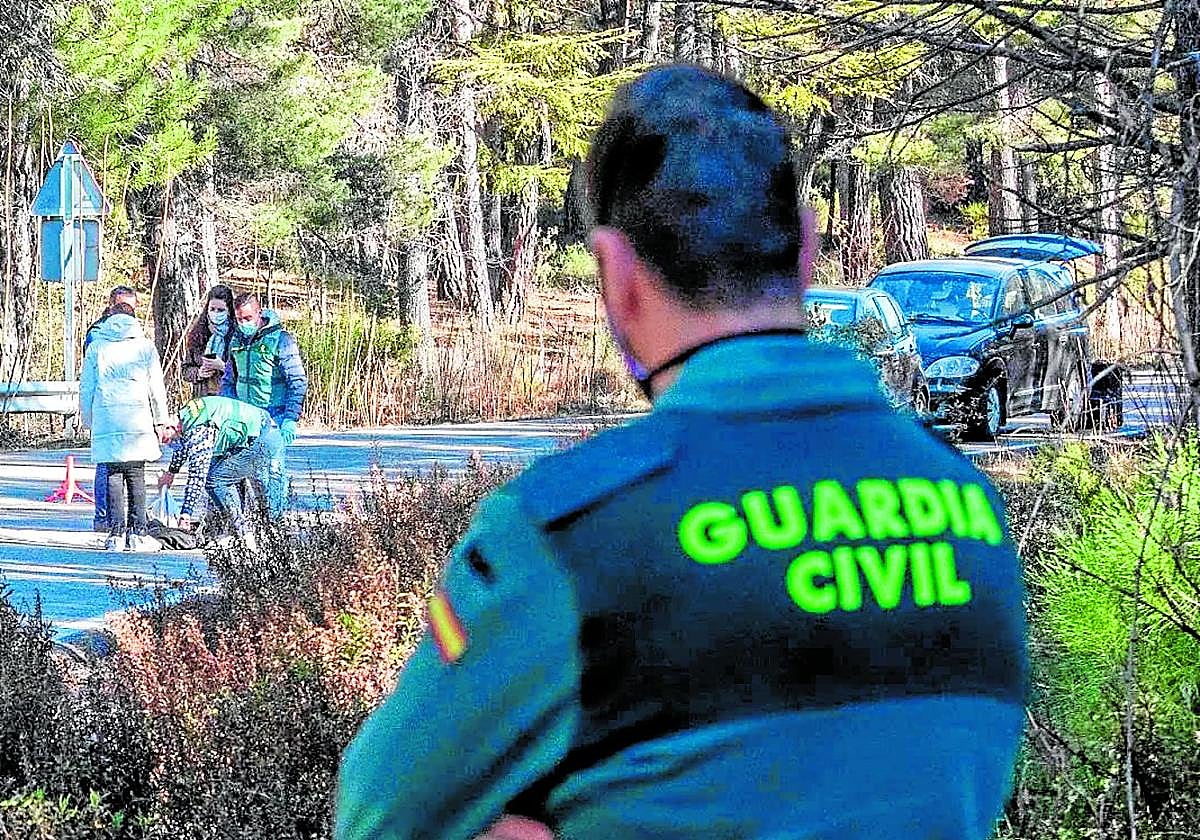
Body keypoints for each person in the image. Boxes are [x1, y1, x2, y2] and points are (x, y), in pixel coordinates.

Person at [334, 65, 1029, 840]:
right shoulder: (970, 504)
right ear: (806, 249)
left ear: (617, 276)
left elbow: (377, 817)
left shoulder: (566, 536)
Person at [79, 301, 169, 552]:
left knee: (113, 474)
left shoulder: (96, 347)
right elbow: (156, 388)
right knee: (136, 475)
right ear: (134, 319)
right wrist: (161, 419)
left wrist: (88, 420)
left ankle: (116, 533)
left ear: (109, 317)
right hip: (137, 419)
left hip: (107, 418)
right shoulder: (144, 346)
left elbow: (86, 387)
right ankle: (138, 532)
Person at [220, 291, 307, 516]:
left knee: (273, 472)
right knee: (252, 474)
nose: (243, 324)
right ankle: (258, 522)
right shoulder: (235, 341)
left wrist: (290, 418)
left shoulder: (280, 339)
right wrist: (228, 412)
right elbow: (229, 380)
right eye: (239, 319)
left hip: (274, 417)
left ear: (259, 313)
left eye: (248, 318)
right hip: (244, 420)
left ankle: (275, 525)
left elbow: (297, 381)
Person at [158, 395, 281, 546]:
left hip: (262, 438)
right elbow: (183, 444)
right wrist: (171, 472)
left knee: (215, 482)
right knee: (221, 475)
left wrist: (186, 514)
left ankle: (243, 535)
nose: (169, 445)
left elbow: (197, 475)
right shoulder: (186, 416)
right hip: (261, 430)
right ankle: (236, 530)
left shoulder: (199, 429)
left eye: (166, 440)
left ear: (170, 427)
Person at [83, 284, 140, 532]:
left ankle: (128, 519)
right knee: (108, 467)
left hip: (131, 412)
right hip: (108, 408)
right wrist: (88, 416)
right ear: (111, 307)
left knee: (129, 468)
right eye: (122, 307)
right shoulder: (98, 336)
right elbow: (90, 382)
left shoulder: (137, 337)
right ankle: (105, 517)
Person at [182, 285, 236, 399]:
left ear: (229, 311)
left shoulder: (237, 337)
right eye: (212, 309)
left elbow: (244, 375)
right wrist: (198, 373)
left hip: (228, 400)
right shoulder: (198, 334)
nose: (216, 314)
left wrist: (223, 367)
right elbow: (185, 370)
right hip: (202, 399)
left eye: (221, 310)